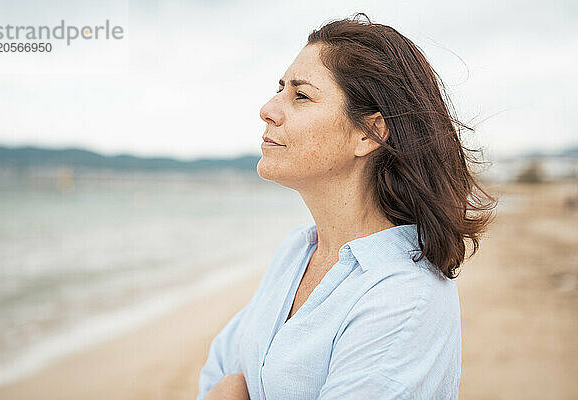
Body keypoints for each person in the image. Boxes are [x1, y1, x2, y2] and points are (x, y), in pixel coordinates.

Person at [197, 12, 497, 400]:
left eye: (300, 95)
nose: (268, 108)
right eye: (280, 88)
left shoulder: (403, 296)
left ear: (369, 133)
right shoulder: (297, 251)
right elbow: (219, 368)